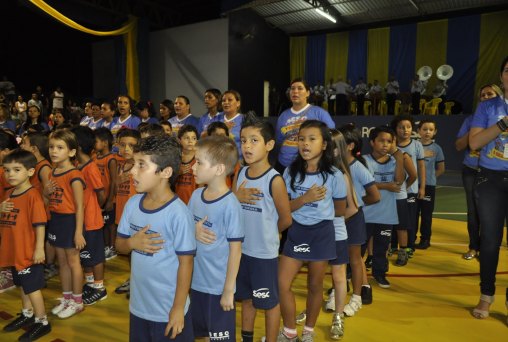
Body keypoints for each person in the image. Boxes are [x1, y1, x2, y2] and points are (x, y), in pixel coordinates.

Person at [115, 134, 196, 341]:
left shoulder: (178, 213)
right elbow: (119, 246)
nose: (132, 170)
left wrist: (178, 308)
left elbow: (186, 264)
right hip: (139, 307)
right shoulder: (133, 204)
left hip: (168, 310)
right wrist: (132, 243)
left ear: (166, 172)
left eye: (141, 165)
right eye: (134, 163)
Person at [278, 120, 346, 342]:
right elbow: (285, 208)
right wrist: (306, 199)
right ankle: (289, 332)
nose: (305, 143)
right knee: (281, 283)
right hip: (297, 232)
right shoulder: (290, 171)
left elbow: (340, 209)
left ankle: (308, 332)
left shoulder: (335, 175)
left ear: (324, 144)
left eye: (312, 139)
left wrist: (318, 212)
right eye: (301, 138)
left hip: (322, 234)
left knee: (315, 285)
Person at [229, 114, 292, 342]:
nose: (246, 146)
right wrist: (235, 197)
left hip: (263, 255)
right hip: (240, 251)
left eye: (254, 140)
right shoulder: (241, 173)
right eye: (243, 140)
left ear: (269, 145)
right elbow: (231, 210)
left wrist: (269, 233)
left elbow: (285, 219)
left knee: (268, 303)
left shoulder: (274, 180)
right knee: (246, 298)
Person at [188, 135, 243, 341]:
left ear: (219, 169)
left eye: (199, 162)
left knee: (220, 337)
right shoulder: (195, 196)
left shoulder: (230, 205)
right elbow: (183, 228)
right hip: (195, 283)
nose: (193, 167)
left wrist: (228, 290)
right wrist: (193, 229)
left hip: (218, 288)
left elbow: (235, 251)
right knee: (198, 332)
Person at [468, 56, 508, 320]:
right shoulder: (488, 106)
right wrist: (503, 124)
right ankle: (486, 296)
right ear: (501, 76)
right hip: (491, 179)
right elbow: (475, 142)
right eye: (507, 70)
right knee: (490, 241)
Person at [0, 149, 52, 341]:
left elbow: (40, 224)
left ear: (30, 172)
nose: (10, 174)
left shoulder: (33, 196)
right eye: (6, 170)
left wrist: (39, 248)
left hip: (28, 253)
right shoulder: (10, 193)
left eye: (16, 169)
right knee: (22, 284)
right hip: (15, 250)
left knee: (32, 288)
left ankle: (42, 321)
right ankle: (27, 313)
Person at [455, 84, 501, 260]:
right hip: (471, 170)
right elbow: (459, 146)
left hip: (494, 172)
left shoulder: (504, 119)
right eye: (483, 95)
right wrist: (476, 127)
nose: (486, 97)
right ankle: (474, 247)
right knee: (473, 211)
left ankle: (487, 249)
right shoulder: (471, 120)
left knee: (492, 212)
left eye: (490, 94)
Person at [45, 129, 86, 319]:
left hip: (70, 221)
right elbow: (48, 200)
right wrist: (45, 192)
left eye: (60, 147)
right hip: (57, 220)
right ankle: (67, 297)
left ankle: (77, 302)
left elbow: (80, 207)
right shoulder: (53, 171)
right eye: (52, 147)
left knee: (73, 261)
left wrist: (78, 232)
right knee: (61, 262)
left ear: (71, 152)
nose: (54, 151)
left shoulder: (74, 175)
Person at [339, 124, 380, 313]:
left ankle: (360, 292)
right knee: (338, 256)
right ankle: (339, 289)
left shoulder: (358, 167)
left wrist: (355, 202)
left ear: (349, 145)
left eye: (338, 143)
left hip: (353, 217)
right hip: (339, 216)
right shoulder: (334, 166)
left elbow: (375, 196)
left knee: (355, 257)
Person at [362, 126, 404, 288]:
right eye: (381, 141)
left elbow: (399, 181)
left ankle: (379, 273)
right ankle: (351, 272)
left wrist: (400, 159)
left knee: (381, 247)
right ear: (372, 142)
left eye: (389, 141)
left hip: (386, 214)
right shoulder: (364, 161)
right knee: (359, 248)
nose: (385, 144)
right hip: (366, 213)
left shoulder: (394, 161)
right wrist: (386, 186)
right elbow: (365, 185)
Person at [72, 127, 108, 306]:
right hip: (82, 220)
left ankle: (100, 288)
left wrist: (95, 208)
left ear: (76, 146)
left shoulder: (90, 167)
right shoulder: (79, 166)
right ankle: (90, 283)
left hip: (92, 220)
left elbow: (101, 194)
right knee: (85, 254)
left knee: (95, 256)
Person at [276, 78, 335, 173]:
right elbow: (279, 141)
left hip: (308, 167)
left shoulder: (319, 113)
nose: (295, 91)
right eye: (292, 88)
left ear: (307, 93)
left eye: (300, 88)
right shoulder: (283, 116)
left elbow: (332, 136)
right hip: (283, 164)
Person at [20, 132, 57, 280]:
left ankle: (47, 266)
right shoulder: (34, 165)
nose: (22, 146)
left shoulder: (44, 167)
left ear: (34, 148)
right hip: (34, 210)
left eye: (24, 143)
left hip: (42, 213)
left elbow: (50, 192)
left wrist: (41, 209)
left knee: (42, 240)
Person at [391, 114, 426, 252]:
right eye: (401, 127)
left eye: (408, 127)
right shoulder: (390, 147)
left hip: (411, 190)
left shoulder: (417, 145)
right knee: (394, 218)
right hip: (395, 191)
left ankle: (409, 246)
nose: (405, 130)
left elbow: (421, 167)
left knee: (410, 220)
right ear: (395, 129)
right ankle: (393, 245)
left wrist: (422, 187)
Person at [113, 129, 140, 297]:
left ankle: (140, 283)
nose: (126, 149)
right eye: (123, 145)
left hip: (136, 216)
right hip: (122, 213)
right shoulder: (120, 164)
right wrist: (118, 181)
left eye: (131, 146)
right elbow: (116, 188)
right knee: (130, 252)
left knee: (138, 252)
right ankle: (134, 278)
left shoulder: (140, 165)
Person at [416, 120, 445, 249]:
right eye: (424, 129)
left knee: (426, 215)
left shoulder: (437, 149)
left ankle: (425, 239)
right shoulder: (414, 146)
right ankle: (411, 238)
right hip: (413, 186)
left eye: (430, 129)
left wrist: (431, 178)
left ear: (435, 132)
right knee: (413, 214)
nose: (427, 132)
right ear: (418, 131)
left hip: (429, 186)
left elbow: (441, 168)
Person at [93, 128, 118, 261]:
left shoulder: (111, 159)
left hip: (108, 198)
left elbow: (114, 181)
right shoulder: (95, 158)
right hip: (98, 199)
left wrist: (110, 200)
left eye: (95, 141)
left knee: (110, 224)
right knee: (102, 223)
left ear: (105, 143)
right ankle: (105, 246)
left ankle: (112, 247)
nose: (93, 143)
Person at [175, 125, 198, 204]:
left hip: (194, 202)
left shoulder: (200, 159)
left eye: (193, 138)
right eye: (186, 138)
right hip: (177, 201)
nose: (190, 141)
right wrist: (177, 173)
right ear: (179, 140)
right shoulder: (175, 158)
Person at [221, 90, 244, 154]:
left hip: (239, 159)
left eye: (230, 100)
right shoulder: (216, 119)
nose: (226, 102)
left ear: (238, 103)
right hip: (218, 158)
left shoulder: (244, 120)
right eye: (223, 100)